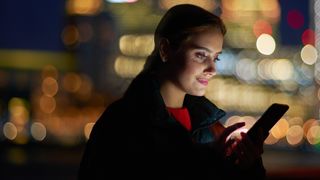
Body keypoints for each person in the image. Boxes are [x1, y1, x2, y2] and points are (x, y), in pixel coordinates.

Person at [78, 4, 266, 179]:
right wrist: (210, 162)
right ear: (165, 50)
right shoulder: (123, 122)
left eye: (215, 58)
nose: (212, 69)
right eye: (200, 55)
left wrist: (249, 165)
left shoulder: (211, 129)